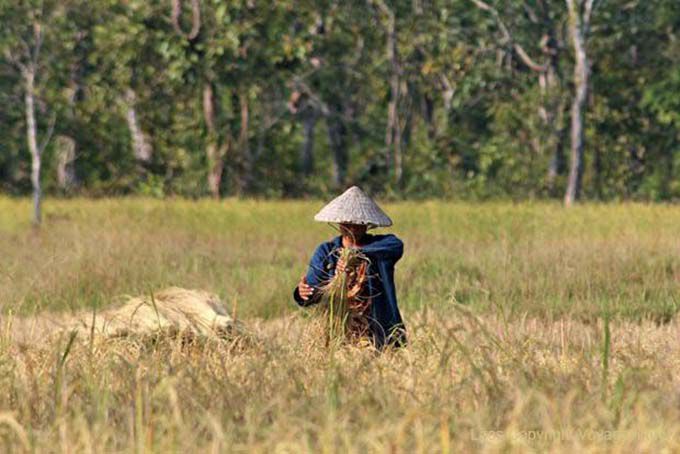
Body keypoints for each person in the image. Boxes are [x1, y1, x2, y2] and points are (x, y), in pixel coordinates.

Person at [293, 186, 406, 348]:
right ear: (339, 223)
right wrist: (302, 293)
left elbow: (396, 245)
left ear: (367, 224)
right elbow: (313, 289)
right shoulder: (327, 252)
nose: (352, 227)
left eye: (358, 223)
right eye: (348, 223)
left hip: (377, 328)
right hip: (340, 331)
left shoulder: (380, 247)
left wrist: (355, 254)